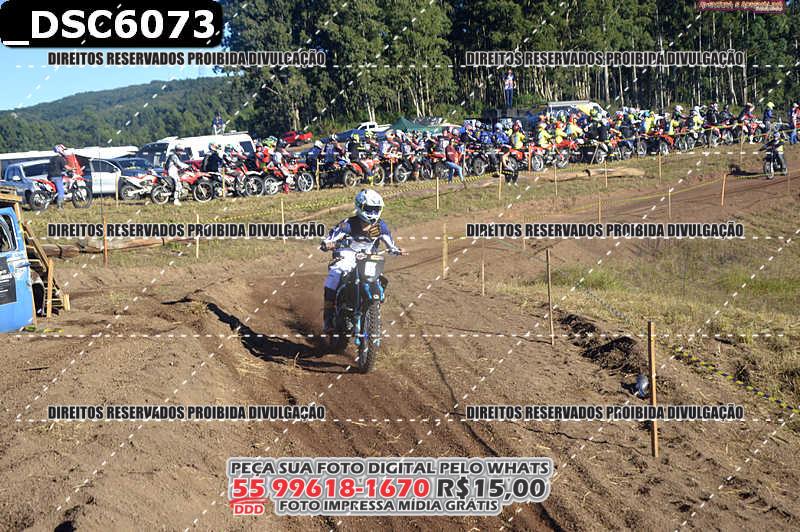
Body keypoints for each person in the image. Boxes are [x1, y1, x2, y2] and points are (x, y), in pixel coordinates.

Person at [319, 189, 404, 333]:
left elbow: (391, 244)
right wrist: (327, 244)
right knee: (333, 277)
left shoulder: (380, 227)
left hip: (368, 257)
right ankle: (328, 319)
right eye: (369, 209)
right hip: (347, 255)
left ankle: (373, 307)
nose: (373, 212)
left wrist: (396, 250)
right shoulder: (347, 225)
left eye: (376, 209)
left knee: (380, 278)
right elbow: (329, 239)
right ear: (360, 206)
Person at [47, 144, 72, 209]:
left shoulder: (52, 158)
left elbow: (56, 167)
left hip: (50, 176)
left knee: (57, 189)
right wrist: (72, 169)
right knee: (61, 191)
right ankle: (59, 206)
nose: (64, 151)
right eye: (63, 150)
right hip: (57, 177)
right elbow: (65, 166)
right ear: (60, 150)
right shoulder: (60, 158)